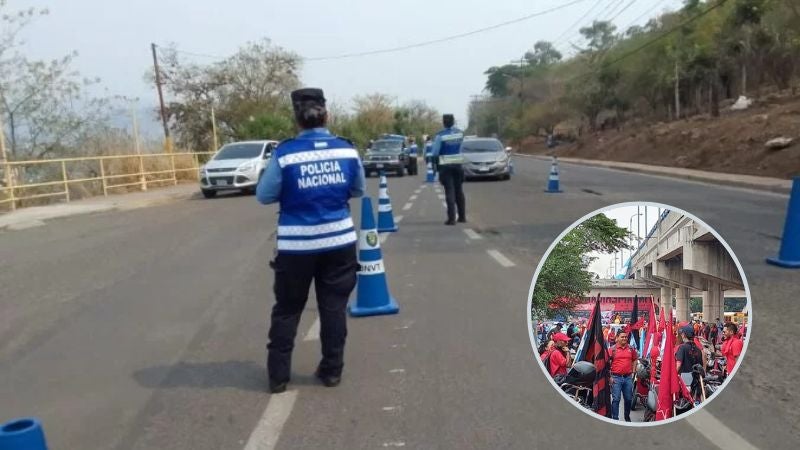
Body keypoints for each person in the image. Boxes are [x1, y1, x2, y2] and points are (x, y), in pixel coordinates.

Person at [256, 87, 366, 393]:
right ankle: (332, 371)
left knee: (288, 309)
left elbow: (264, 196)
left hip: (296, 247)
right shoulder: (347, 150)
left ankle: (278, 377)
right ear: (326, 115)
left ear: (297, 118)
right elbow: (358, 190)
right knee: (333, 307)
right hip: (339, 243)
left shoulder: (286, 153)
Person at [431, 114, 466, 225]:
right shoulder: (459, 134)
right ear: (453, 122)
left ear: (443, 122)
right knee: (459, 191)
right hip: (458, 165)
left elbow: (435, 153)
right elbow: (462, 149)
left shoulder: (440, 136)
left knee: (449, 191)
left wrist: (434, 166)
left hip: (445, 166)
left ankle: (451, 219)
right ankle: (462, 217)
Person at [609, 331, 638, 422]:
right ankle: (615, 419)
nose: (625, 338)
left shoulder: (631, 348)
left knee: (629, 399)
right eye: (622, 337)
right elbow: (607, 364)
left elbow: (635, 359)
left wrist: (633, 371)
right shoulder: (612, 349)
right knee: (616, 399)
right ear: (617, 338)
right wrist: (610, 376)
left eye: (626, 337)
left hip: (628, 378)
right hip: (616, 378)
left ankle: (627, 417)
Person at [676, 325, 704, 396]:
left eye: (682, 334)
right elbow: (701, 366)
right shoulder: (698, 349)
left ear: (684, 335)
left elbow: (678, 365)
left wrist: (672, 376)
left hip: (684, 380)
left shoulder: (682, 348)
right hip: (695, 380)